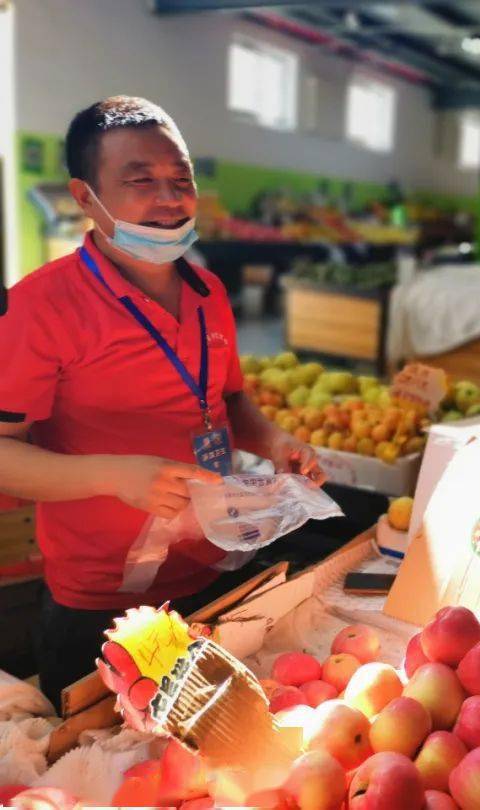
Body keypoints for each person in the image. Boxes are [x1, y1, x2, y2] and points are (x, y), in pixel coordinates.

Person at [0, 97, 325, 710]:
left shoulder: (208, 293)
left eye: (182, 180)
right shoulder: (39, 307)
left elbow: (230, 402)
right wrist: (115, 476)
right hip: (101, 607)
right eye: (140, 180)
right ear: (83, 195)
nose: (169, 197)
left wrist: (278, 443)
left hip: (213, 575)